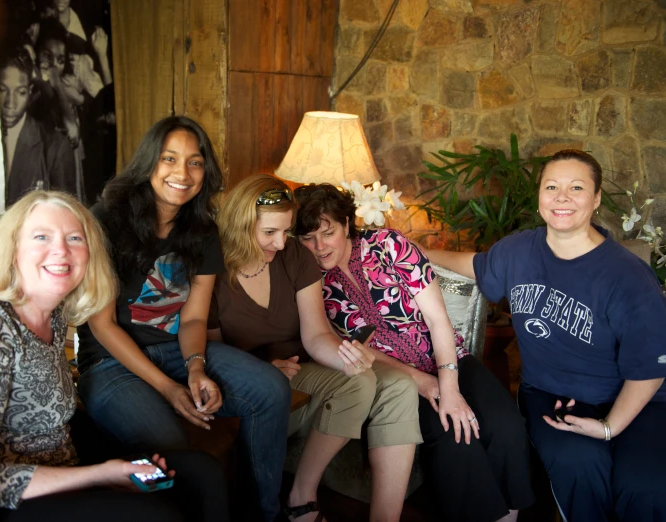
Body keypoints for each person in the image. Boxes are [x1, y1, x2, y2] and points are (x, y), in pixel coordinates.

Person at [0, 190, 229, 522]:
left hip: (66, 470)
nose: (61, 250)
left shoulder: (53, 315)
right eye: (42, 236)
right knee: (155, 514)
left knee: (202, 474)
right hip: (1, 505)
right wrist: (100, 475)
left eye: (74, 238)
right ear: (12, 249)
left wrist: (119, 465)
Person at [424, 149, 666, 522]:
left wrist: (608, 428)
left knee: (645, 485)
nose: (562, 197)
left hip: (639, 400)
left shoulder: (628, 276)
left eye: (576, 187)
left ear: (597, 198)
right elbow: (474, 265)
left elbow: (649, 368)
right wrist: (416, 251)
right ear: (540, 197)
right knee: (578, 464)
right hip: (551, 395)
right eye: (552, 186)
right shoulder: (518, 250)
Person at [76, 117, 291, 522]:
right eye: (169, 159)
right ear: (148, 164)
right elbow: (102, 325)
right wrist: (168, 388)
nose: (182, 173)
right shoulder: (106, 220)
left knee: (271, 388)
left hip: (175, 350)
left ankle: (262, 512)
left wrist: (195, 369)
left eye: (194, 162)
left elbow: (193, 319)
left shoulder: (203, 230)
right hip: (108, 362)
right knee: (170, 442)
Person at [294, 184, 534, 522]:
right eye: (308, 238)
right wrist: (421, 382)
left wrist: (449, 389)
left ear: (347, 224)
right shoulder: (311, 282)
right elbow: (354, 349)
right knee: (453, 438)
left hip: (450, 357)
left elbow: (438, 320)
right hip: (396, 381)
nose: (319, 247)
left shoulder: (389, 245)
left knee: (504, 423)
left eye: (328, 232)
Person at [209, 174, 420, 522]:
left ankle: (302, 494)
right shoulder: (213, 265)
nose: (280, 243)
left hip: (298, 372)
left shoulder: (293, 256)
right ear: (241, 224)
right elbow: (212, 351)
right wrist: (258, 374)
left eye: (286, 231)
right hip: (243, 386)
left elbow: (316, 334)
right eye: (269, 233)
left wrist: (345, 358)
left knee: (361, 378)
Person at [0, 48, 76, 206]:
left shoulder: (55, 147)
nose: (10, 104)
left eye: (20, 92)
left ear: (31, 92)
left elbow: (65, 214)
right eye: (2, 90)